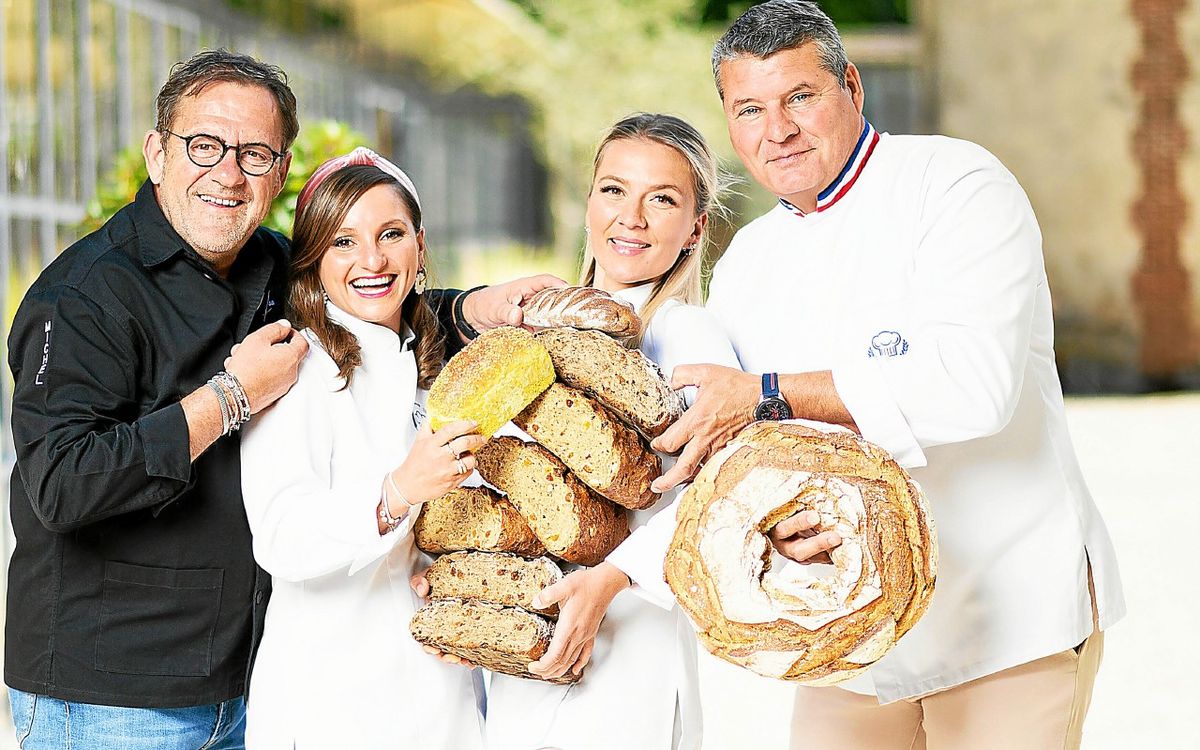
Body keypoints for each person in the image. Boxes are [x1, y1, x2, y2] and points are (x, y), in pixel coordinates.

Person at [5, 49, 556, 749]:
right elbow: (62, 484)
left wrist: (474, 307)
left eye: (255, 154)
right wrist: (231, 397)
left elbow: (368, 291)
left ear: (280, 171)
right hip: (114, 695)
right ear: (156, 154)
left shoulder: (268, 263)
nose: (228, 173)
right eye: (204, 146)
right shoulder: (84, 295)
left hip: (244, 679)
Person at [650, 2, 1126, 749]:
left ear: (852, 87)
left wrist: (768, 394)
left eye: (800, 97)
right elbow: (749, 453)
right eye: (750, 109)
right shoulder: (747, 263)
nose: (778, 130)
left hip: (1005, 616)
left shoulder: (957, 185)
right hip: (849, 638)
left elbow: (975, 387)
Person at [479, 113, 741, 750]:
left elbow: (720, 495)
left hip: (627, 647)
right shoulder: (533, 331)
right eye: (614, 190)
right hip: (526, 638)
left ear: (695, 228)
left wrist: (611, 579)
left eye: (663, 199)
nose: (632, 218)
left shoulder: (687, 335)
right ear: (590, 200)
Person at [238, 148, 487, 748]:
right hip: (332, 700)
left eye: (391, 234)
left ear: (420, 245)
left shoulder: (437, 368)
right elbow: (279, 537)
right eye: (343, 242)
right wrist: (396, 492)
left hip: (440, 694)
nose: (372, 261)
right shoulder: (296, 367)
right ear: (312, 261)